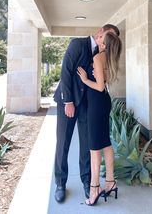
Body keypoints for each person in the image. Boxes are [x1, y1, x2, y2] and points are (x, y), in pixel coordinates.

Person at [53, 24, 120, 203]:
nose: (106, 43)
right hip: (68, 102)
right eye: (106, 38)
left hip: (88, 105)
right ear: (100, 33)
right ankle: (60, 183)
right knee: (63, 142)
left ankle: (87, 181)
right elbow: (65, 72)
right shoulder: (77, 44)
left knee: (87, 145)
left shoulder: (102, 54)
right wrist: (68, 101)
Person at [77, 31, 122, 206]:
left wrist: (85, 79)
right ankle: (111, 182)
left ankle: (95, 188)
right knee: (104, 142)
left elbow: (100, 86)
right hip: (103, 102)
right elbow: (106, 82)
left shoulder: (98, 58)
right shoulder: (109, 58)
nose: (99, 39)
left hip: (97, 103)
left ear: (105, 44)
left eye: (102, 38)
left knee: (94, 146)